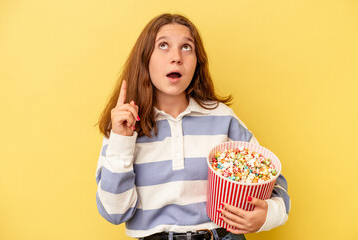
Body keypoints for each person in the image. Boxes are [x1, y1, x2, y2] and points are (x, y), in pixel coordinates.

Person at [95, 13, 290, 240]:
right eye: (163, 45)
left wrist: (267, 216)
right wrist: (121, 140)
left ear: (198, 62)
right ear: (145, 57)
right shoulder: (124, 127)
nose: (176, 57)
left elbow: (272, 178)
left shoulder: (222, 118)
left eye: (186, 47)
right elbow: (114, 213)